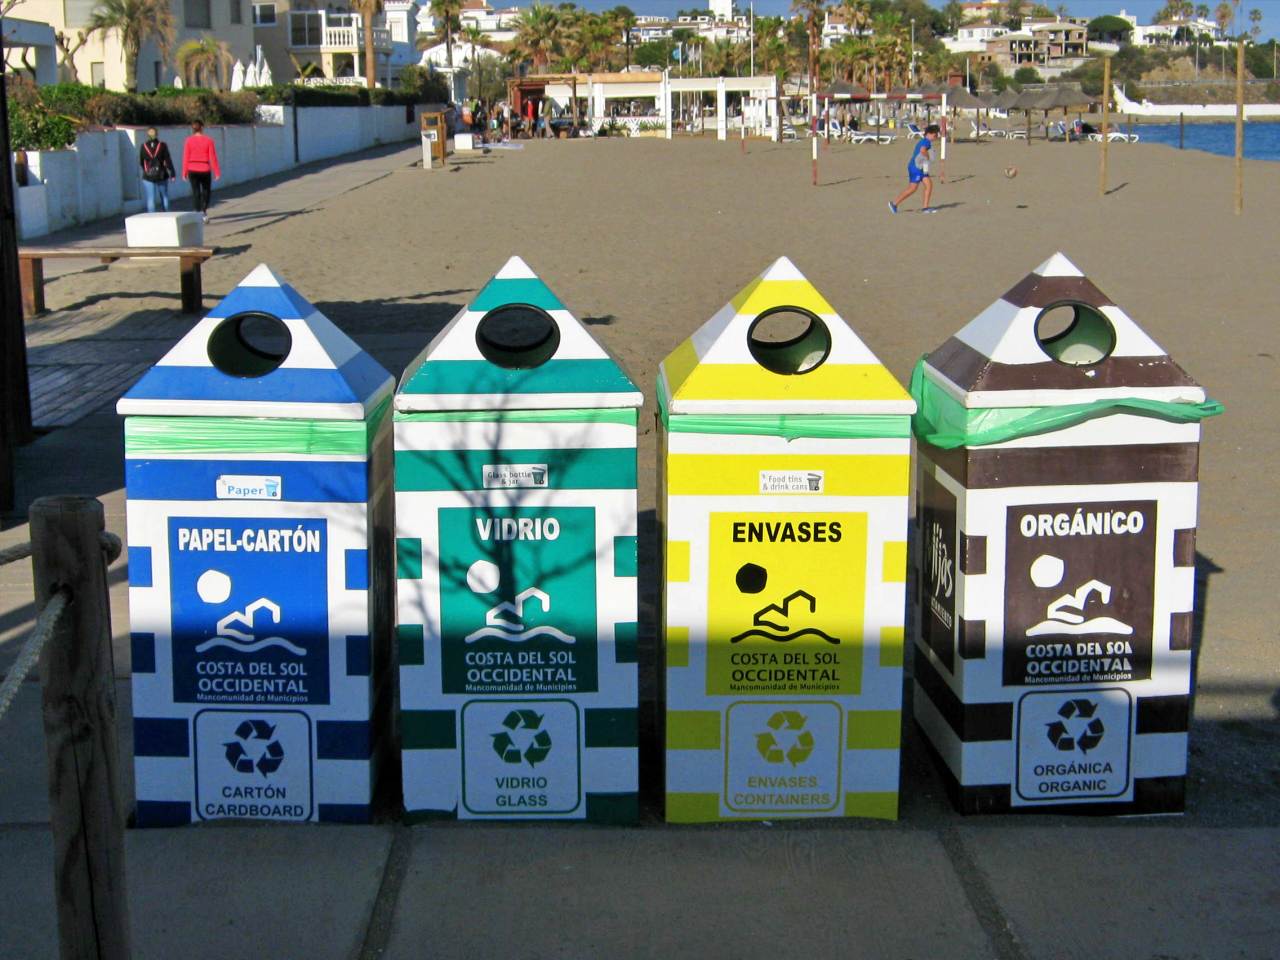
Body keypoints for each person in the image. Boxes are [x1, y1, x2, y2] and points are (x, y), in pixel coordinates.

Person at [888, 123, 940, 214]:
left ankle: (925, 208)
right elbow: (922, 150)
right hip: (916, 167)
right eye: (935, 135)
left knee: (929, 185)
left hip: (921, 167)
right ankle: (894, 203)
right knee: (912, 188)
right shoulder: (926, 141)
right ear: (929, 134)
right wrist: (929, 157)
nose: (935, 137)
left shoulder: (924, 141)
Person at [181, 120, 220, 223]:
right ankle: (203, 211)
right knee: (206, 191)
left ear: (192, 129)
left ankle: (197, 212)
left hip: (192, 168)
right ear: (202, 128)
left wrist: (184, 172)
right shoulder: (208, 140)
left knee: (196, 192)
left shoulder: (188, 140)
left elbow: (186, 157)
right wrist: (216, 171)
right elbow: (213, 157)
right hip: (205, 168)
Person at [138, 127, 175, 213]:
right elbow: (168, 160)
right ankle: (167, 214)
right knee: (164, 196)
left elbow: (141, 161)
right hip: (162, 174)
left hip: (148, 176)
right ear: (157, 134)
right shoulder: (162, 145)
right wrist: (172, 172)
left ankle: (152, 218)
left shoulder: (143, 146)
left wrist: (146, 170)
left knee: (150, 198)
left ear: (147, 135)